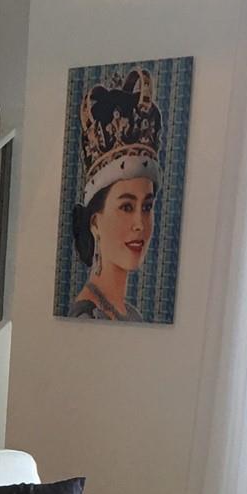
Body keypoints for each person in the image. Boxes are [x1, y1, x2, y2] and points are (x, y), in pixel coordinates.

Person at [68, 75, 161, 320]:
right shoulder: (86, 316)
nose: (140, 223)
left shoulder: (131, 315)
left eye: (147, 206)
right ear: (95, 223)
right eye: (127, 206)